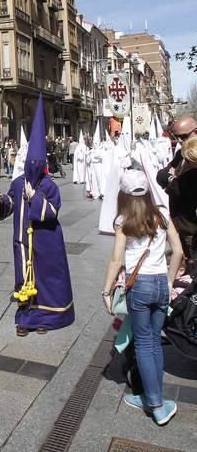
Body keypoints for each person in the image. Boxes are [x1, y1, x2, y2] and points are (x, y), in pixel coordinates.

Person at [101, 168, 183, 426]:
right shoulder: (162, 214)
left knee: (144, 344)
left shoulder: (123, 220)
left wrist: (106, 290)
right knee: (154, 343)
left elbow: (116, 259)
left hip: (140, 285)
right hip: (160, 282)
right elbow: (178, 251)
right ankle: (151, 396)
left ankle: (156, 405)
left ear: (123, 194)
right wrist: (169, 281)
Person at [0, 94, 74, 336]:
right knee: (24, 279)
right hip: (22, 243)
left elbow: (52, 212)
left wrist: (34, 198)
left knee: (47, 279)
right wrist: (2, 201)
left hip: (46, 241)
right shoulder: (18, 183)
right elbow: (10, 204)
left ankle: (47, 317)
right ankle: (25, 318)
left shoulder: (50, 186)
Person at [156, 115, 197, 275]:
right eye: (176, 137)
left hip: (192, 229)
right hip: (178, 223)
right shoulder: (181, 153)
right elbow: (161, 175)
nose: (179, 140)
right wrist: (172, 179)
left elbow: (183, 189)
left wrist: (173, 180)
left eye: (184, 136)